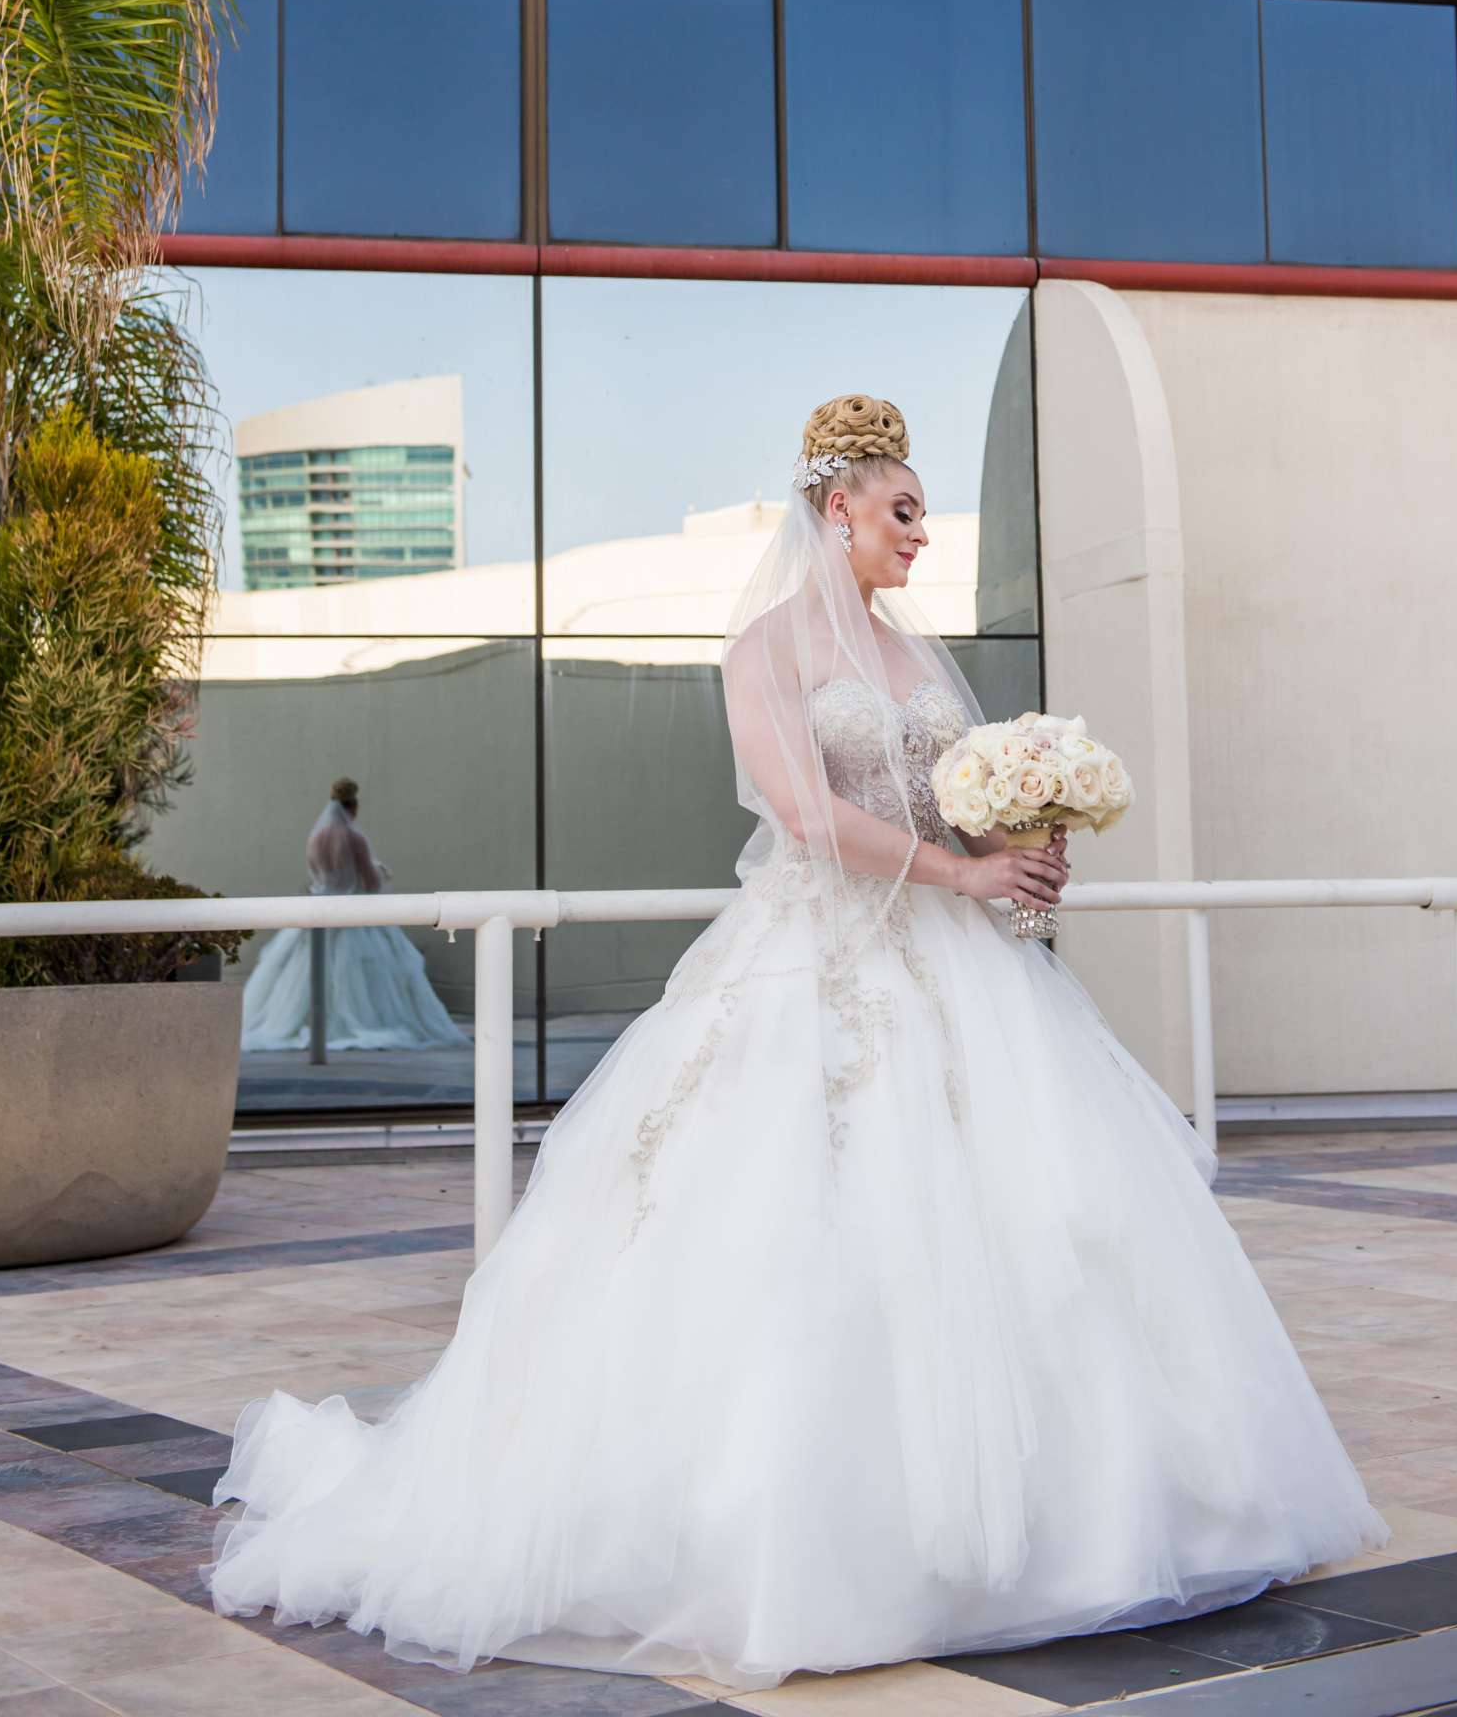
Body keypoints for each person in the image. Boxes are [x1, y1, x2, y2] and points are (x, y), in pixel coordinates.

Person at [210, 395, 1383, 1689]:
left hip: (958, 966)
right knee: (777, 1228)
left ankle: (1098, 1523)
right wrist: (959, 872)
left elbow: (946, 799)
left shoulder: (918, 660)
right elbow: (807, 817)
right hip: (815, 960)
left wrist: (1015, 850)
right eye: (902, 511)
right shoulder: (759, 652)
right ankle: (795, 1550)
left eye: (921, 513)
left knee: (1040, 1230)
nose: (921, 536)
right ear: (838, 510)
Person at [238, 778, 468, 1053]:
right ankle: (357, 1024)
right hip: (352, 911)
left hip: (319, 909)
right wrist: (379, 871)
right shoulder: (353, 837)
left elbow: (316, 877)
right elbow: (370, 883)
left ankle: (309, 1024)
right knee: (363, 978)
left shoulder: (316, 837)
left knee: (304, 974)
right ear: (353, 806)